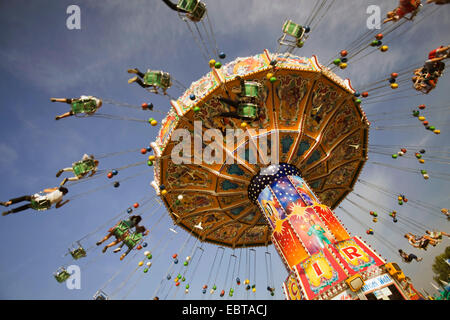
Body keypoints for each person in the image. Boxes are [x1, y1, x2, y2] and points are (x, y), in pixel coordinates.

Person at [1, 187, 69, 216]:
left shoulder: (57, 190)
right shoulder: (61, 199)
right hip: (41, 206)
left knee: (25, 198)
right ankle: (10, 211)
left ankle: (8, 203)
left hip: (39, 200)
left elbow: (45, 190)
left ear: (61, 190)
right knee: (27, 206)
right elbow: (57, 207)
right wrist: (65, 202)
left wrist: (54, 188)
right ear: (65, 193)